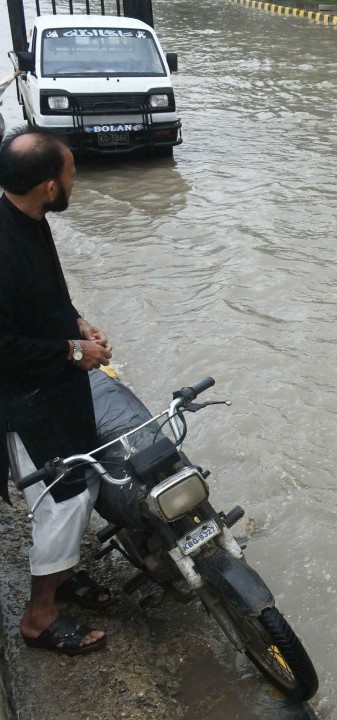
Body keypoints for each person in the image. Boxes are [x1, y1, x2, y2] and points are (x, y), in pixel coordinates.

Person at [0, 126, 115, 656]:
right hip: (24, 402)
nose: (74, 181)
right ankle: (39, 616)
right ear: (49, 186)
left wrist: (78, 323)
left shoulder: (29, 218)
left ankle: (61, 575)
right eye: (71, 174)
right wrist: (73, 351)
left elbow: (46, 294)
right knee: (63, 501)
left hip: (56, 386)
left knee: (84, 476)